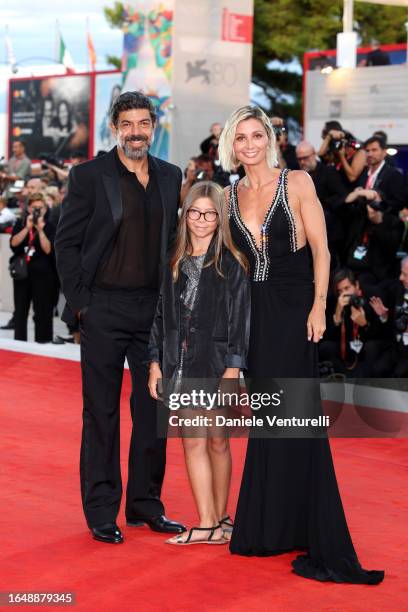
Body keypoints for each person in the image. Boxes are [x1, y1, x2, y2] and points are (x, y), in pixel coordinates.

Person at [219, 105, 384, 584]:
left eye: (257, 135)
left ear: (269, 139)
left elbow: (322, 248)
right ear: (232, 144)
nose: (250, 144)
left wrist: (318, 305)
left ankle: (310, 526)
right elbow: (232, 267)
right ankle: (272, 525)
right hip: (254, 313)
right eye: (241, 137)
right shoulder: (231, 195)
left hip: (294, 312)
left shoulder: (297, 183)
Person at [55, 91, 185, 545]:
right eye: (127, 124)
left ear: (154, 127)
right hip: (104, 308)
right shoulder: (90, 175)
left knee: (154, 411)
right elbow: (66, 243)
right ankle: (101, 510)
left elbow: (175, 242)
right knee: (102, 413)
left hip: (154, 311)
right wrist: (83, 303)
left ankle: (146, 504)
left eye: (143, 123)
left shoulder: (172, 176)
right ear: (115, 128)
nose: (135, 132)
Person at [148, 181, 250, 545]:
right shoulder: (172, 261)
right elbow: (159, 317)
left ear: (220, 217)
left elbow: (241, 320)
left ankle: (222, 520)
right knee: (192, 442)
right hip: (181, 364)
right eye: (195, 212)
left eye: (210, 213)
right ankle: (207, 523)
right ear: (185, 214)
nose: (202, 220)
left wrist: (233, 370)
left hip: (216, 364)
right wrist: (154, 363)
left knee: (219, 442)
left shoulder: (231, 263)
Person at [319, 269, 389, 377]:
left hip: (365, 345)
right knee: (325, 347)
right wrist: (337, 315)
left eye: (347, 288)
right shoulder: (335, 300)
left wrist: (365, 324)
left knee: (371, 347)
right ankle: (342, 375)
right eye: (340, 291)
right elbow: (328, 336)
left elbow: (380, 334)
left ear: (356, 285)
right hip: (346, 345)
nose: (344, 294)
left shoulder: (372, 296)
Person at [10, 192, 58, 343]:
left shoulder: (50, 226)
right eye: (34, 208)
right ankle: (19, 343)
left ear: (45, 209)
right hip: (23, 275)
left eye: (40, 208)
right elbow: (13, 244)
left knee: (43, 312)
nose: (37, 211)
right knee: (20, 311)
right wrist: (27, 227)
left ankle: (43, 343)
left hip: (44, 276)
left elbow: (49, 250)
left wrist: (40, 229)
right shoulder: (21, 222)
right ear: (28, 209)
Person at [296, 140, 347, 268]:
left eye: (305, 158)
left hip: (329, 231)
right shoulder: (297, 176)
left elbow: (341, 195)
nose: (302, 162)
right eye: (299, 159)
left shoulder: (328, 172)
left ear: (314, 154)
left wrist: (321, 204)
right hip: (305, 234)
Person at [351, 136, 406, 213]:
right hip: (362, 221)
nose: (370, 154)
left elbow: (399, 203)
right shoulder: (362, 173)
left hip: (385, 222)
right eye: (367, 150)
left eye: (374, 150)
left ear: (384, 152)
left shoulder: (394, 174)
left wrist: (380, 202)